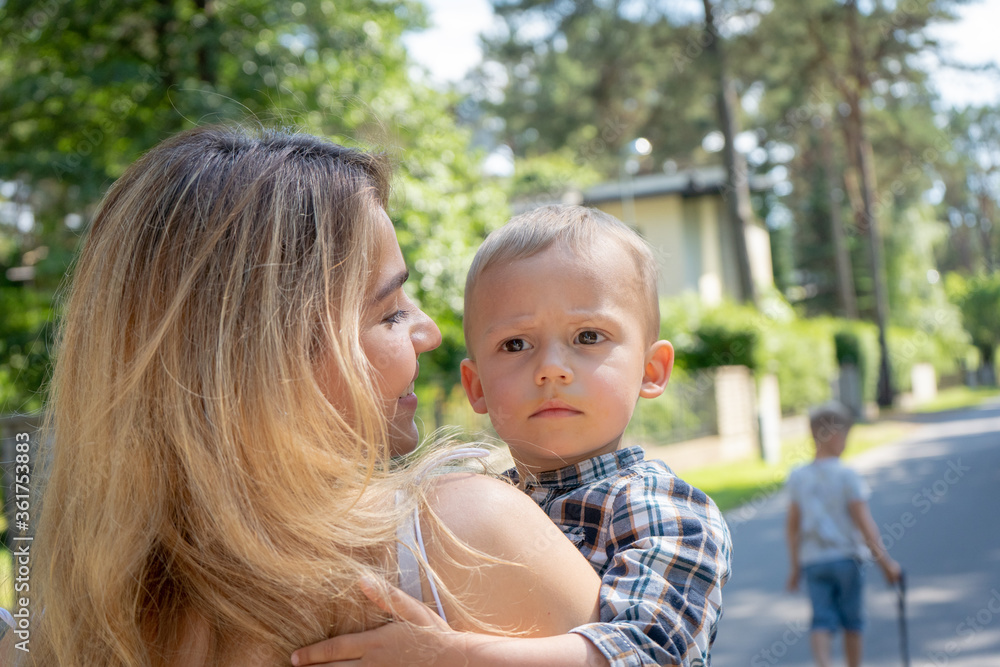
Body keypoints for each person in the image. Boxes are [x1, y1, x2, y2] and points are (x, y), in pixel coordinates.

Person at [0, 126, 604, 666]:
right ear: (269, 368)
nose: (430, 332)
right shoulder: (465, 541)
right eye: (390, 313)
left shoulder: (54, 632)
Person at [294, 205, 733, 666]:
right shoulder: (469, 506)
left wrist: (453, 656)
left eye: (588, 336)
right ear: (476, 386)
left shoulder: (662, 510)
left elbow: (650, 654)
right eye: (516, 344)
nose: (551, 369)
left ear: (652, 370)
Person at [785, 401, 902, 667]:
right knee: (853, 621)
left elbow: (792, 526)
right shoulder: (848, 475)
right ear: (836, 436)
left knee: (821, 620)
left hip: (813, 562)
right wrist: (886, 564)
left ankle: (824, 663)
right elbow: (865, 524)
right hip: (847, 559)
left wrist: (794, 567)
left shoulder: (798, 476)